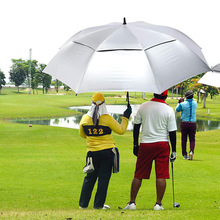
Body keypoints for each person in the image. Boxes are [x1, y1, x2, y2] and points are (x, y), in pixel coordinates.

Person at [124, 90, 177, 211]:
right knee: (161, 174)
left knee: (138, 174)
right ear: (166, 95)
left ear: (154, 94)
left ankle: (132, 203)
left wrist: (135, 144)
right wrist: (174, 150)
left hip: (145, 145)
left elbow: (136, 126)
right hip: (162, 144)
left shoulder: (143, 106)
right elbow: (172, 132)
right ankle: (158, 204)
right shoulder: (168, 109)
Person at [79, 92, 132, 209]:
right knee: (103, 179)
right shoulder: (107, 118)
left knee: (90, 178)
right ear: (104, 104)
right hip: (107, 152)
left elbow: (82, 135)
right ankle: (98, 205)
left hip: (92, 153)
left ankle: (83, 205)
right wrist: (125, 117)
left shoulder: (85, 118)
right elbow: (121, 130)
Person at [176, 90, 197, 160]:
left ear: (185, 96)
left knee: (184, 139)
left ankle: (184, 154)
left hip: (184, 123)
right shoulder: (195, 103)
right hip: (193, 124)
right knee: (192, 139)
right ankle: (191, 151)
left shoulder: (183, 104)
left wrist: (179, 103)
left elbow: (177, 110)